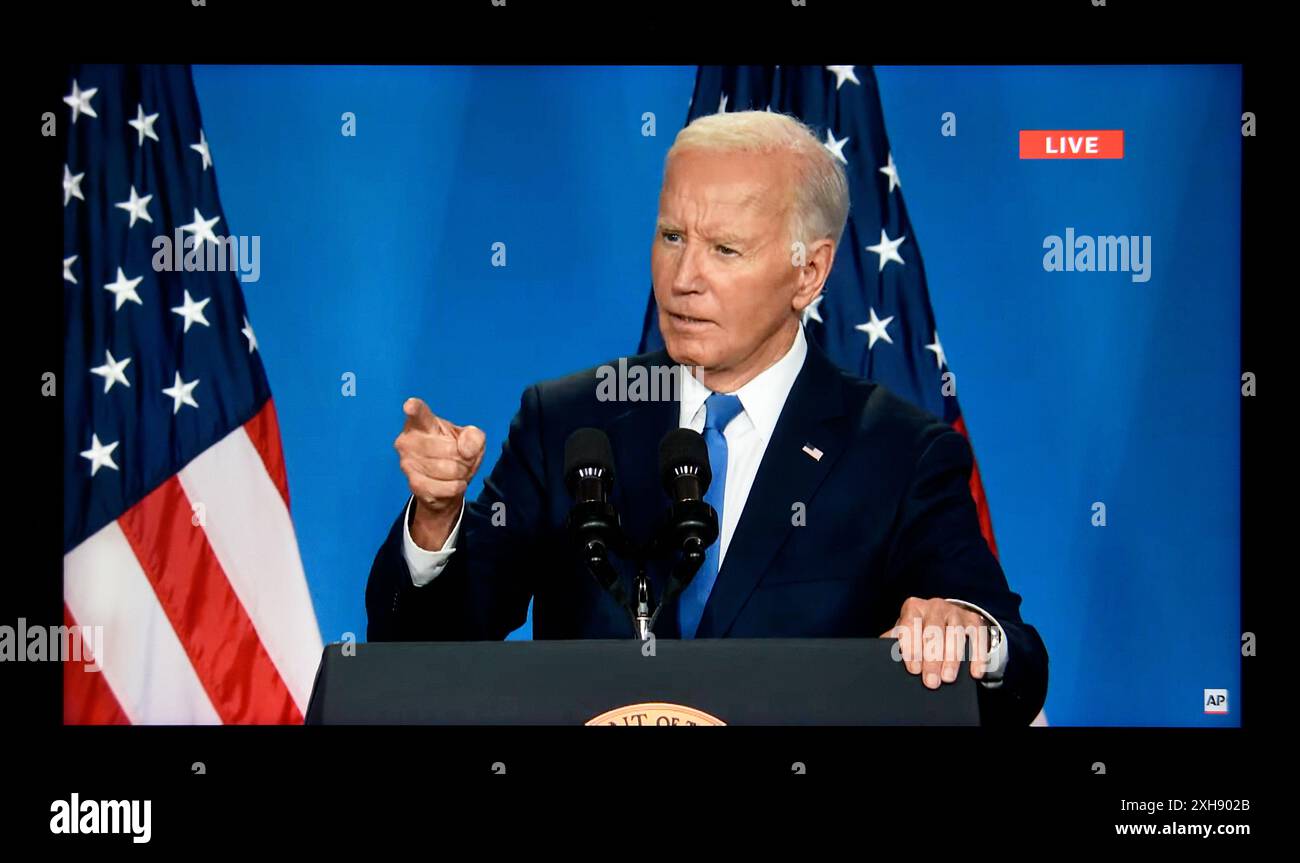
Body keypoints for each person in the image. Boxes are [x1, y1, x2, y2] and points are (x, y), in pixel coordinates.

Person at [366, 110, 1048, 725]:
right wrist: (435, 520)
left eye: (724, 249)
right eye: (671, 236)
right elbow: (426, 652)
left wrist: (966, 631)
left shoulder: (898, 453)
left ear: (809, 272)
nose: (683, 276)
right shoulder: (569, 423)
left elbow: (1019, 671)